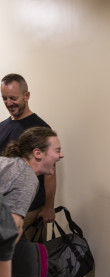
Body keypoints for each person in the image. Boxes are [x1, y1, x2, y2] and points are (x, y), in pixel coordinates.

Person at [0, 126, 63, 277]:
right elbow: (9, 232)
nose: (61, 156)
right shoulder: (27, 177)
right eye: (57, 150)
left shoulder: (10, 164)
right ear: (37, 153)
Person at [0, 74, 56, 242]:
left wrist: (49, 207)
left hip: (29, 210)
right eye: (4, 98)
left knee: (29, 263)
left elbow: (50, 174)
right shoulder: (2, 127)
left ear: (26, 96)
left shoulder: (41, 129)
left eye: (13, 98)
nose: (9, 103)